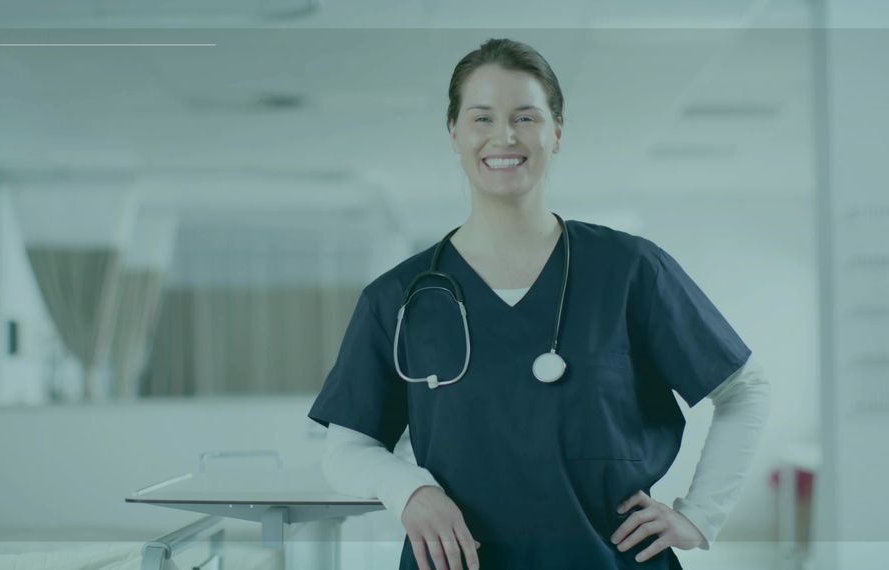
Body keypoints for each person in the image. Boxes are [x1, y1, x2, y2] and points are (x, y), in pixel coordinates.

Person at [308, 38, 770, 570]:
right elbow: (345, 447)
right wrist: (410, 491)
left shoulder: (629, 269)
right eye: (482, 118)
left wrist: (701, 515)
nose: (504, 136)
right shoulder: (399, 297)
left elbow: (745, 389)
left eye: (525, 117)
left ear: (556, 132)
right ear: (454, 133)